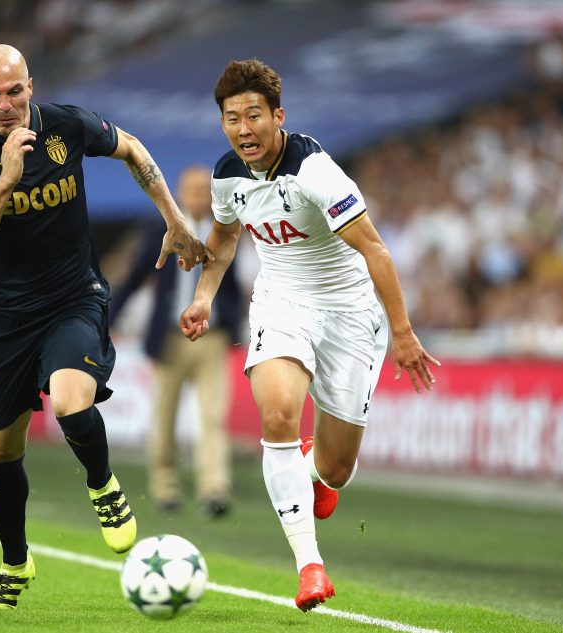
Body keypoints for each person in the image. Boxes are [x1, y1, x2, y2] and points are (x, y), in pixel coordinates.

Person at [0, 44, 208, 610]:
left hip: (72, 298)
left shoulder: (66, 125)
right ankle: (15, 561)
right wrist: (7, 179)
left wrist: (175, 218)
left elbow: (132, 149)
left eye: (14, 91)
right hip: (0, 317)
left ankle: (103, 485)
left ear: (30, 87)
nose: (5, 105)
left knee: (70, 401)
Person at [179, 59, 439, 612]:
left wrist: (403, 333)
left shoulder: (315, 172)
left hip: (349, 313)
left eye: (254, 116)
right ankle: (310, 568)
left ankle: (315, 466)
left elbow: (374, 249)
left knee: (337, 470)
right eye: (231, 118)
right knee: (275, 413)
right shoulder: (227, 175)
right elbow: (224, 237)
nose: (244, 129)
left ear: (279, 116)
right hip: (283, 302)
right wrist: (202, 297)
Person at [109, 165, 241, 519]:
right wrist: (106, 320)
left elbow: (234, 282)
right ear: (180, 193)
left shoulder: (226, 230)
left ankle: (214, 489)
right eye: (192, 189)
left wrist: (235, 322)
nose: (198, 196)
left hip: (212, 338)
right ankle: (165, 488)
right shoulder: (161, 231)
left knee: (213, 415)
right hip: (169, 337)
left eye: (204, 190)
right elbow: (135, 278)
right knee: (164, 415)